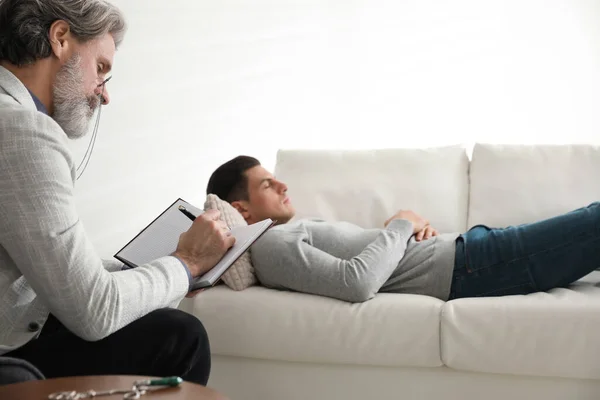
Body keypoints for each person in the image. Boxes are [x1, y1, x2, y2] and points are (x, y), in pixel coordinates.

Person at [0, 0, 235, 385]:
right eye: (101, 68)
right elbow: (95, 310)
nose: (104, 95)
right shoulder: (24, 133)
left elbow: (60, 274)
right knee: (179, 337)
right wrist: (187, 262)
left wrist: (161, 268)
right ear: (60, 38)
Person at [206, 155, 600, 303]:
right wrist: (401, 225)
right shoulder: (269, 245)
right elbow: (355, 283)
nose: (283, 186)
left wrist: (404, 231)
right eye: (267, 185)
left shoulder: (292, 230)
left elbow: (369, 259)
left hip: (466, 252)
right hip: (470, 265)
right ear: (241, 209)